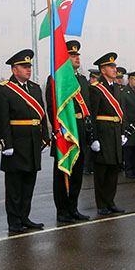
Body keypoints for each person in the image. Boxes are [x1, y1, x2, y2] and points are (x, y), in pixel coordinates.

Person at [0, 49, 49, 234]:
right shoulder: (4, 89)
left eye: (29, 67)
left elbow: (41, 114)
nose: (28, 70)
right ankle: (14, 220)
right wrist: (6, 143)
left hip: (32, 142)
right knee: (15, 186)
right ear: (14, 69)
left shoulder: (34, 88)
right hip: (16, 143)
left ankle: (25, 216)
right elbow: (2, 119)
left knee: (29, 183)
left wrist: (44, 137)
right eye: (24, 67)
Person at [45, 40, 93, 223]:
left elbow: (86, 105)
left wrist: (89, 132)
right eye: (73, 55)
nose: (77, 58)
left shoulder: (81, 79)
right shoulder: (56, 79)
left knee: (78, 173)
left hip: (79, 130)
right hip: (65, 133)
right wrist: (58, 130)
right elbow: (52, 107)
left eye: (77, 55)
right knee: (62, 174)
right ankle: (62, 211)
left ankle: (73, 208)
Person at [88, 52, 128, 214]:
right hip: (103, 132)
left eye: (114, 66)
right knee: (102, 171)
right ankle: (101, 204)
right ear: (103, 70)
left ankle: (110, 201)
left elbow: (122, 111)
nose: (114, 69)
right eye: (111, 66)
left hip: (115, 131)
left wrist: (123, 132)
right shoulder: (96, 89)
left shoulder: (117, 88)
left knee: (113, 169)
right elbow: (92, 114)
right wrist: (94, 138)